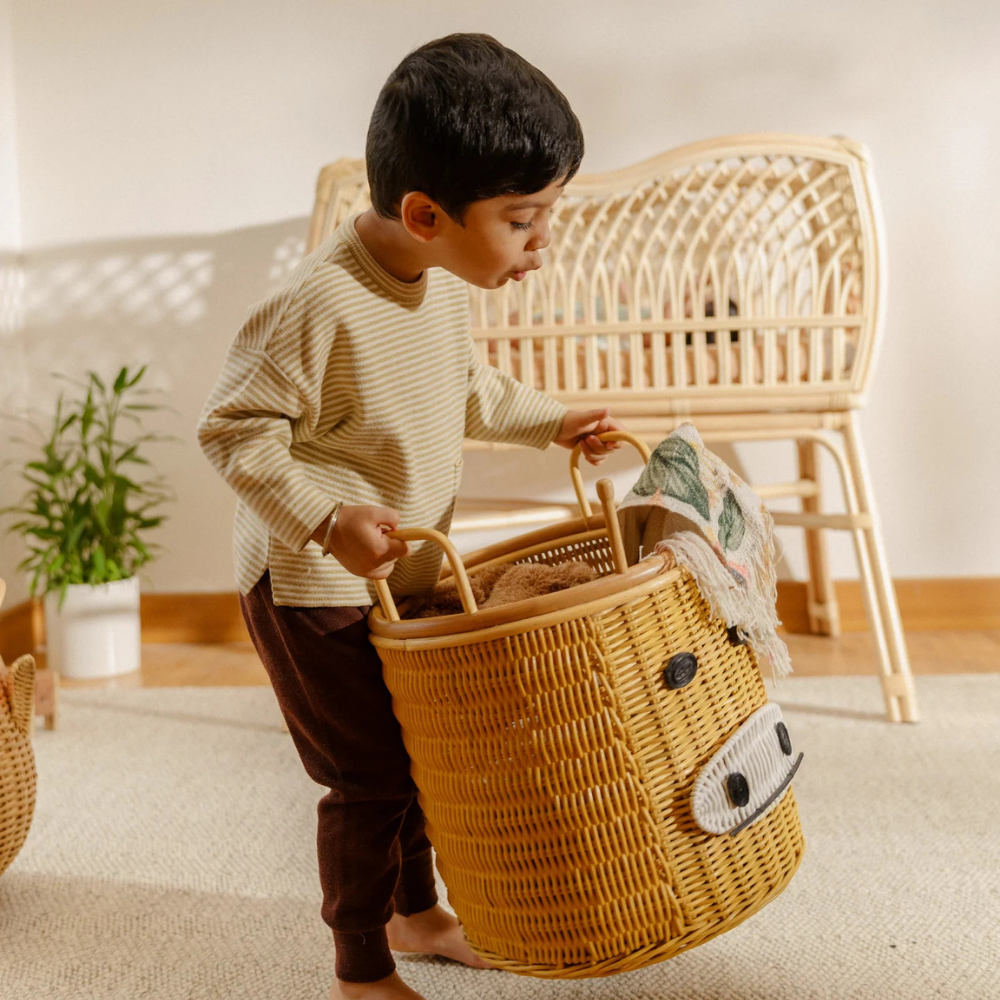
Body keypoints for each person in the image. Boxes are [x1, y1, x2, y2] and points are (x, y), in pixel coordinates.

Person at [198, 33, 623, 1000]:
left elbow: (468, 391)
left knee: (423, 748)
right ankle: (360, 969)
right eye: (524, 220)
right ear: (427, 213)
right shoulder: (315, 307)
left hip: (401, 576)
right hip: (312, 587)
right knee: (370, 780)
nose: (540, 243)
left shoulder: (435, 290)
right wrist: (324, 518)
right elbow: (231, 432)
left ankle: (417, 913)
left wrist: (558, 421)